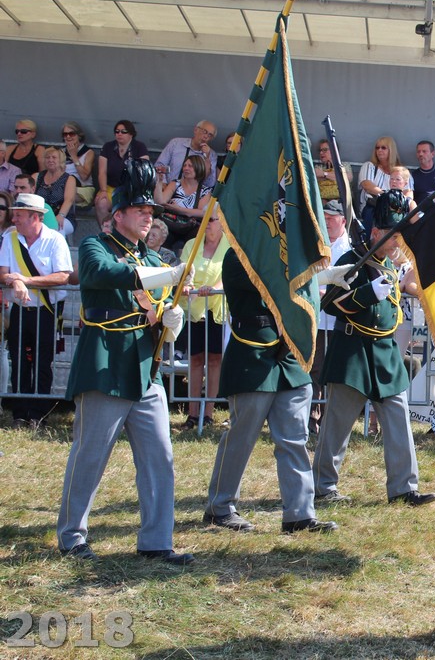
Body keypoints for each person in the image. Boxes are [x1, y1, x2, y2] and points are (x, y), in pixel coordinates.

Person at [56, 160, 195, 564]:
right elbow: (101, 273)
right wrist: (165, 277)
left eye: (151, 210)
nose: (148, 216)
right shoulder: (96, 245)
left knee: (159, 459)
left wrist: (171, 319)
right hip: (105, 362)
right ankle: (71, 536)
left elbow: (158, 313)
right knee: (90, 455)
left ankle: (156, 541)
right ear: (118, 215)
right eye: (140, 210)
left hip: (144, 367)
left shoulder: (152, 258)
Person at [202, 246, 343, 534]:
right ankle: (220, 507)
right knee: (242, 436)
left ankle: (299, 514)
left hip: (289, 354)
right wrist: (321, 276)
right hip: (253, 351)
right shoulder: (239, 253)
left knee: (294, 438)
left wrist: (318, 277)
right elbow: (269, 281)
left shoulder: (288, 253)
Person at [312, 192, 435, 507]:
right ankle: (323, 486)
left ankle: (404, 488)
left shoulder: (387, 264)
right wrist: (367, 293)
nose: (397, 242)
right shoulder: (352, 260)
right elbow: (331, 304)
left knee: (398, 420)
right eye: (392, 236)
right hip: (352, 350)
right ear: (375, 233)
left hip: (384, 351)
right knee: (337, 426)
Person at [0, 193, 73, 427]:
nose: (14, 219)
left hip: (47, 310)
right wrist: (15, 281)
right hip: (20, 309)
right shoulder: (9, 238)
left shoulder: (55, 240)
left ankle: (38, 414)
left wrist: (26, 281)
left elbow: (63, 276)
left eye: (19, 215)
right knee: (19, 360)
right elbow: (3, 272)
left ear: (35, 217)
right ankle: (20, 413)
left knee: (43, 362)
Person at [177, 211, 229, 429]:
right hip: (194, 308)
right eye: (204, 220)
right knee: (195, 359)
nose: (206, 224)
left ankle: (208, 413)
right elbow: (183, 270)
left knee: (215, 360)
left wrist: (213, 289)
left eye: (211, 220)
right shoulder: (192, 244)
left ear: (222, 223)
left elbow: (229, 274)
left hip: (218, 309)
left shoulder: (230, 246)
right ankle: (192, 414)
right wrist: (187, 284)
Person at [308, 199, 352, 437]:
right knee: (315, 370)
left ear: (343, 220)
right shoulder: (316, 245)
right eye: (323, 217)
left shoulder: (350, 249)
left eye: (331, 217)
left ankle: (330, 422)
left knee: (334, 373)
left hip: (339, 321)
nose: (326, 221)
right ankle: (312, 420)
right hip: (317, 319)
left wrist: (328, 293)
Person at [95, 120, 149, 224]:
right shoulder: (108, 147)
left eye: (123, 131)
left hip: (131, 189)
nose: (119, 134)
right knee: (101, 203)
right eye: (117, 131)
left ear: (131, 134)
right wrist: (103, 190)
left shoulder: (139, 147)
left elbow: (145, 170)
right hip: (111, 187)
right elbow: (102, 172)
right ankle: (106, 230)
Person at [154, 154, 212, 250]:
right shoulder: (175, 184)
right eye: (184, 165)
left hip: (190, 228)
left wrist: (180, 210)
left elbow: (202, 212)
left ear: (199, 168)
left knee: (199, 236)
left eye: (190, 166)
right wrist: (159, 182)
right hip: (171, 223)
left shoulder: (205, 191)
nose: (186, 168)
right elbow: (160, 202)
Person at [154, 119, 218, 189]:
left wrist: (207, 158)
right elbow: (160, 165)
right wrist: (163, 184)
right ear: (195, 130)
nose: (206, 136)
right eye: (204, 132)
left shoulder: (212, 155)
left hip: (191, 193)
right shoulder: (176, 143)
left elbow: (209, 183)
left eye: (210, 135)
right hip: (167, 187)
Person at [34, 147, 77, 238]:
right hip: (40, 216)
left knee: (57, 229)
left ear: (61, 160)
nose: (50, 160)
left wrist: (60, 215)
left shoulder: (69, 179)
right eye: (48, 157)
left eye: (54, 157)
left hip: (63, 216)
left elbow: (69, 200)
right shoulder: (37, 177)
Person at [357, 136, 399, 212]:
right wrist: (388, 198)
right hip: (373, 207)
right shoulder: (369, 166)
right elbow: (367, 186)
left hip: (394, 210)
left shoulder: (401, 171)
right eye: (377, 148)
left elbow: (408, 193)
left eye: (383, 148)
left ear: (391, 150)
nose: (379, 150)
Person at [61, 121, 96, 207]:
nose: (68, 136)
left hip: (82, 189)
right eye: (65, 134)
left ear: (79, 135)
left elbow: (84, 176)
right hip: (63, 187)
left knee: (62, 195)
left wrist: (74, 156)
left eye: (71, 134)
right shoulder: (60, 152)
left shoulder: (88, 152)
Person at [314, 139, 352, 203]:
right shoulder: (318, 167)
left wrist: (324, 174)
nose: (321, 153)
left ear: (334, 151)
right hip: (323, 202)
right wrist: (334, 176)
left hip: (341, 202)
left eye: (325, 150)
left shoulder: (344, 165)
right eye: (320, 150)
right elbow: (315, 179)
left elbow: (347, 178)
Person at [411, 140, 435, 204]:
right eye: (418, 152)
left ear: (433, 154)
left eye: (424, 151)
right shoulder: (413, 176)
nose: (420, 154)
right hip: (421, 208)